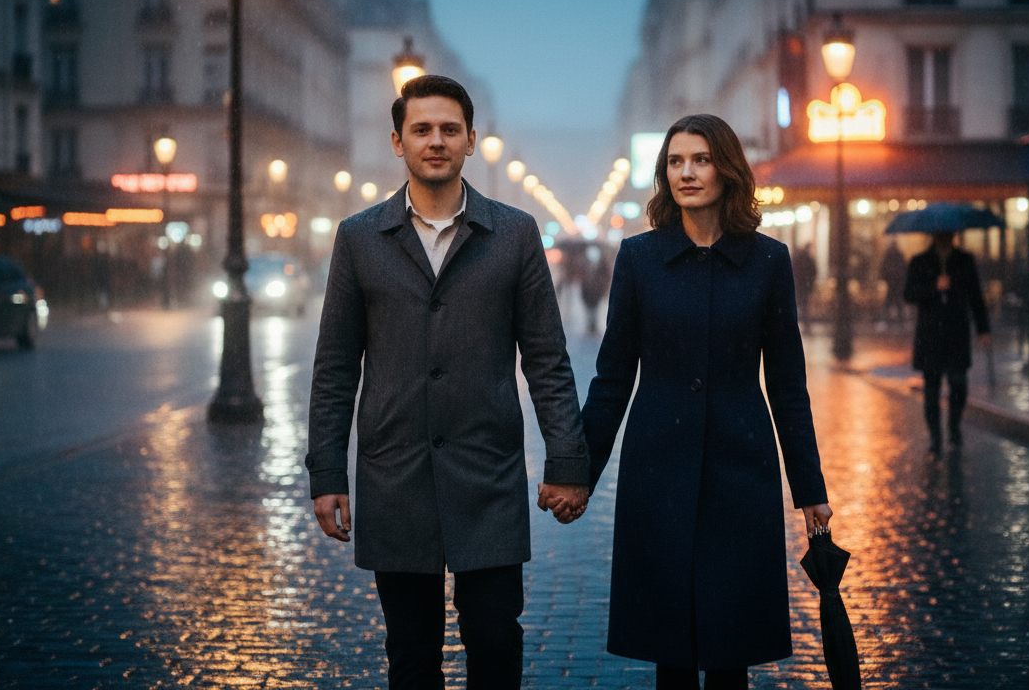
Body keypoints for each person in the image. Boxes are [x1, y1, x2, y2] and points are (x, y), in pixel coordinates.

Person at [306, 75, 591, 689]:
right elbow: (334, 365)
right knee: (410, 653)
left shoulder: (513, 233)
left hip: (486, 472)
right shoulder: (359, 237)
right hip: (394, 473)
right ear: (397, 142)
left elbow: (546, 356)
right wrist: (327, 472)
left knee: (494, 640)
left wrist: (567, 460)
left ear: (471, 142)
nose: (436, 141)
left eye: (449, 130)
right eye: (422, 130)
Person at [581, 114, 832, 687]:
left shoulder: (768, 261)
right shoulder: (639, 258)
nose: (686, 173)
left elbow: (788, 384)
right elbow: (613, 376)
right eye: (675, 162)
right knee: (668, 644)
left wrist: (809, 488)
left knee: (730, 646)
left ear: (728, 170)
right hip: (658, 463)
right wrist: (579, 473)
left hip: (741, 465)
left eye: (700, 159)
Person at [903, 231, 991, 453]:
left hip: (956, 332)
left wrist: (983, 329)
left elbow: (975, 296)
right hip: (930, 334)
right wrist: (935, 288)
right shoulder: (920, 261)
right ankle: (935, 435)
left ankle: (954, 428)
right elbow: (909, 294)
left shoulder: (964, 261)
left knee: (958, 384)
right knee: (931, 389)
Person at [879, 241, 908, 326]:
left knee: (891, 301)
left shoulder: (892, 256)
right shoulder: (896, 256)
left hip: (893, 281)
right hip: (895, 281)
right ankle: (899, 319)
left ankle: (889, 319)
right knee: (894, 301)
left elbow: (885, 267)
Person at [792, 242, 817, 330]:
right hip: (805, 286)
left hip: (799, 285)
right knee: (804, 306)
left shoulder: (798, 258)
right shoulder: (809, 259)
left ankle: (799, 324)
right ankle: (806, 325)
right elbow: (813, 272)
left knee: (799, 305)